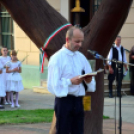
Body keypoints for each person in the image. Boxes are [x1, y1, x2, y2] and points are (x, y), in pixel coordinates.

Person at [47, 26, 96, 134]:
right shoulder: (57, 58)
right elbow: (53, 85)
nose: (80, 44)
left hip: (79, 100)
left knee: (78, 131)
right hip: (64, 101)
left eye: (81, 41)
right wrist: (70, 82)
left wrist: (88, 81)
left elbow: (91, 80)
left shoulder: (81, 58)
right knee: (63, 131)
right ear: (67, 39)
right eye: (77, 41)